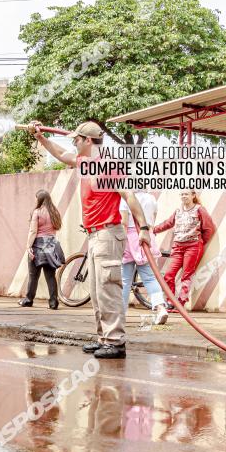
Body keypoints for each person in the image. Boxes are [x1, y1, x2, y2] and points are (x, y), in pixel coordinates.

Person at [28, 120, 152, 359]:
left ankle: (115, 341)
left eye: (76, 139)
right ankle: (103, 338)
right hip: (95, 234)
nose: (73, 143)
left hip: (108, 233)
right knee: (96, 291)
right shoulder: (85, 163)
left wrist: (143, 227)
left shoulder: (108, 166)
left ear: (87, 141)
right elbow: (62, 153)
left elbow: (129, 195)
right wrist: (41, 138)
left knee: (108, 288)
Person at [152, 190, 215, 311]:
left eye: (186, 194)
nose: (184, 196)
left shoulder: (199, 210)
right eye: (181, 194)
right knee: (169, 275)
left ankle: (180, 304)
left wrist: (200, 242)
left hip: (193, 247)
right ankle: (171, 301)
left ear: (193, 196)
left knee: (186, 276)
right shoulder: (178, 211)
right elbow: (168, 223)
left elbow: (209, 228)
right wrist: (153, 230)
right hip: (177, 247)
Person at [119, 191, 168, 325]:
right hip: (146, 236)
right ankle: (160, 308)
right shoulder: (151, 198)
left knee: (124, 280)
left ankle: (120, 316)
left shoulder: (125, 198)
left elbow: (123, 222)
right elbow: (153, 218)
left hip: (130, 238)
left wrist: (121, 244)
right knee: (150, 277)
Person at [19, 189, 65, 309]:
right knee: (50, 276)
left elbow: (33, 231)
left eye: (36, 198)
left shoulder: (37, 212)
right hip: (51, 244)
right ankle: (53, 302)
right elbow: (57, 228)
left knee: (33, 275)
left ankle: (28, 300)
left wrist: (28, 246)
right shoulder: (54, 211)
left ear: (39, 199)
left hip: (38, 245)